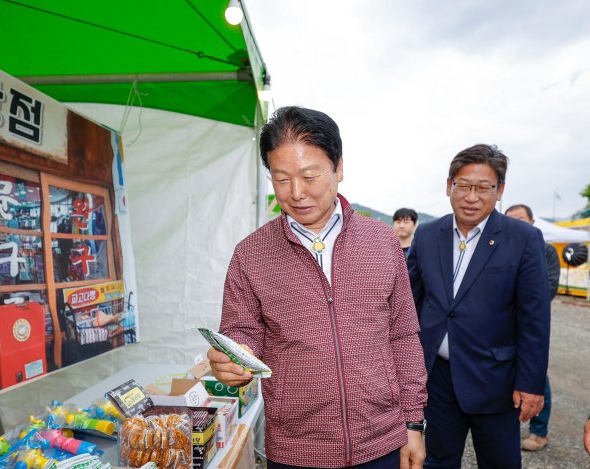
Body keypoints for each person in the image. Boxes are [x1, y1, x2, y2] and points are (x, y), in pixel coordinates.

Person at [207, 106, 428, 469]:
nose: (295, 193)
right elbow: (241, 331)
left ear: (338, 168)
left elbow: (403, 335)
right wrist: (233, 358)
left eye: (309, 175)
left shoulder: (381, 241)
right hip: (296, 450)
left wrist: (413, 422)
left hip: (382, 440)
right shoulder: (251, 254)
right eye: (281, 179)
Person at [407, 144, 550, 468]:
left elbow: (534, 317)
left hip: (496, 379)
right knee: (438, 460)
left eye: (484, 187)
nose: (472, 197)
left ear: (499, 190)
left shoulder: (523, 238)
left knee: (499, 462)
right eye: (464, 185)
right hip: (438, 377)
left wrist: (530, 383)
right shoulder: (428, 234)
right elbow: (409, 300)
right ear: (449, 186)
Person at [504, 203, 560, 452]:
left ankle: (539, 431)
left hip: (527, 327)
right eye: (510, 220)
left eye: (520, 219)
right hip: (500, 329)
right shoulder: (502, 249)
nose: (516, 224)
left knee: (536, 377)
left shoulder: (545, 251)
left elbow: (546, 289)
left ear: (532, 221)